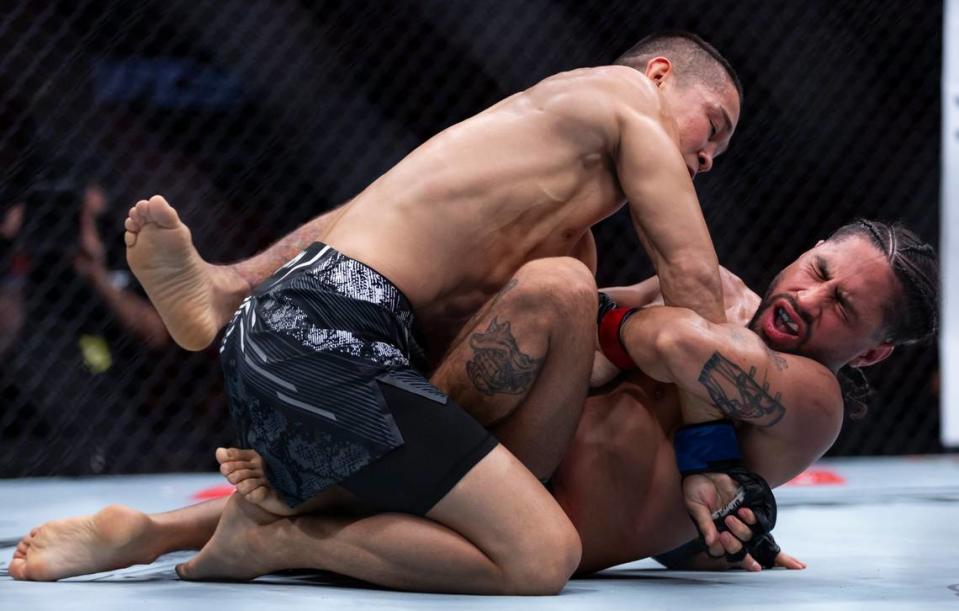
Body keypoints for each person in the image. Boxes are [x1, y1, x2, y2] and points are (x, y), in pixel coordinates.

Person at [113, 30, 761, 593]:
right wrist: (707, 455)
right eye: (713, 129)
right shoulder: (627, 100)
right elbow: (694, 287)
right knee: (542, 553)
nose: (705, 160)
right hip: (333, 342)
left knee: (546, 287)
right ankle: (279, 536)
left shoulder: (541, 187)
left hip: (307, 338)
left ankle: (227, 292)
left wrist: (637, 305)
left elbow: (555, 363)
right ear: (659, 74)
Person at [8, 219, 938, 584]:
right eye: (817, 270)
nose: (807, 300)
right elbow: (587, 324)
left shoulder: (814, 395)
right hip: (506, 456)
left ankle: (237, 531)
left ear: (874, 350)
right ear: (804, 250)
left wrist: (686, 314)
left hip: (535, 507)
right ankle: (163, 528)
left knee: (590, 315)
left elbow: (677, 343)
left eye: (840, 308)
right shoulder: (721, 291)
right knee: (554, 273)